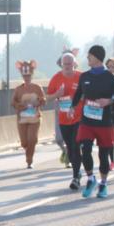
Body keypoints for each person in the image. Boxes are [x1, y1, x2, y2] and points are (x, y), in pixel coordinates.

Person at [71, 45, 114, 199]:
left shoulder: (110, 77)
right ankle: (91, 179)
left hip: (104, 122)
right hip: (87, 121)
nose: (87, 59)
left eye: (89, 56)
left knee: (103, 154)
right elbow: (78, 92)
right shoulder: (84, 76)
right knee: (85, 149)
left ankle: (103, 184)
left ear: (97, 58)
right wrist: (73, 107)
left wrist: (109, 100)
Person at [45, 53, 83, 188]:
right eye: (64, 64)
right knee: (71, 149)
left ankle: (75, 177)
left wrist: (80, 99)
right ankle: (77, 171)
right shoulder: (56, 78)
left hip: (79, 118)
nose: (67, 66)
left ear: (74, 64)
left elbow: (90, 93)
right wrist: (57, 95)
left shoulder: (80, 77)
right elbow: (47, 98)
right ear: (61, 64)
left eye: (69, 64)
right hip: (64, 119)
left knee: (75, 146)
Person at [11, 60, 44, 169]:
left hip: (34, 118)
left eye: (28, 75)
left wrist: (37, 102)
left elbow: (43, 100)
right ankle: (28, 152)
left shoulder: (37, 87)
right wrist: (21, 105)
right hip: (22, 119)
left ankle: (29, 161)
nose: (27, 77)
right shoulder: (18, 89)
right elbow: (13, 103)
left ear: (32, 75)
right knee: (24, 142)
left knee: (32, 139)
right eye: (25, 76)